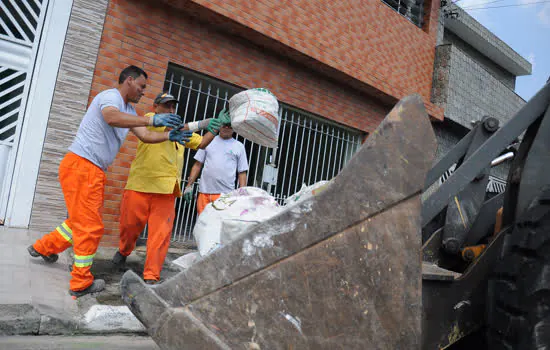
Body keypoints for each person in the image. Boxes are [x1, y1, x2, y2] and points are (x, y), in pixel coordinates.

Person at [26, 65, 225, 298]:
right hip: (84, 166)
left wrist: (173, 134)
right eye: (141, 87)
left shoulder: (131, 111)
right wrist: (169, 123)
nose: (143, 92)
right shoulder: (112, 98)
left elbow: (147, 135)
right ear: (129, 81)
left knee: (80, 221)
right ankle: (80, 283)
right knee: (90, 227)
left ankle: (43, 248)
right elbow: (113, 118)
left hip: (93, 170)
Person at [111, 93, 229, 284]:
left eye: (173, 107)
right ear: (156, 107)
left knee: (161, 235)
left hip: (166, 191)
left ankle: (151, 276)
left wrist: (213, 129)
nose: (171, 111)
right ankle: (124, 251)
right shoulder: (148, 120)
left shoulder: (179, 131)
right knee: (129, 227)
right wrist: (200, 123)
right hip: (139, 186)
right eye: (166, 106)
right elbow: (153, 126)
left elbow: (201, 143)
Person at [184, 123, 249, 215]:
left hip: (225, 195)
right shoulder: (207, 141)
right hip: (204, 192)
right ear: (219, 125)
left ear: (234, 128)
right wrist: (189, 186)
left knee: (219, 226)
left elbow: (242, 172)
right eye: (224, 125)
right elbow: (197, 164)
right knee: (202, 224)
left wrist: (242, 194)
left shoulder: (239, 146)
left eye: (229, 125)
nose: (226, 127)